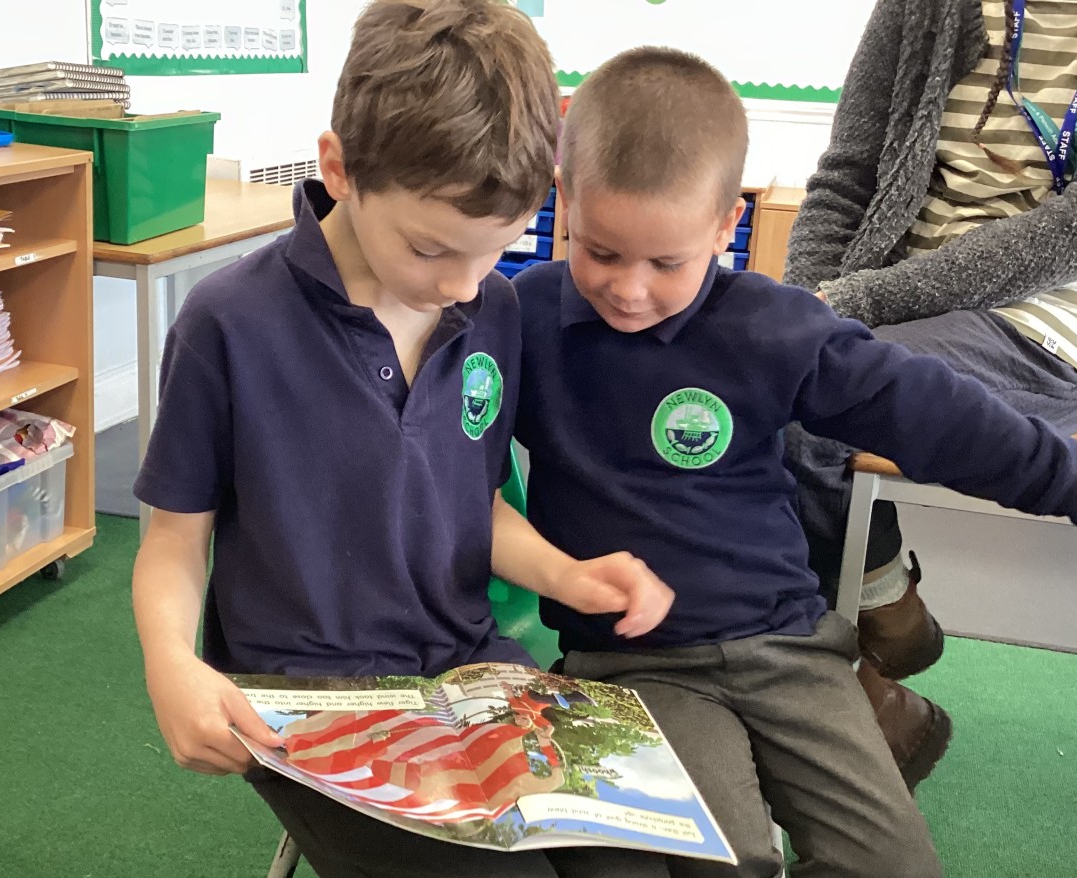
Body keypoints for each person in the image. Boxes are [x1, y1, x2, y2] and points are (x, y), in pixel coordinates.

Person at [512, 46, 1077, 878]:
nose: (629, 290)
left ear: (724, 227)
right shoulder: (521, 319)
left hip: (787, 651)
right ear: (564, 198)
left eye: (667, 264)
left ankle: (890, 707)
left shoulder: (771, 328)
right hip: (630, 666)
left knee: (896, 866)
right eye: (602, 252)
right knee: (724, 858)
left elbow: (939, 415)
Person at [129, 3, 673, 876]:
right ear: (339, 170)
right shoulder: (228, 322)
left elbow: (475, 502)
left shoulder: (491, 309)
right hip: (304, 693)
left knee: (635, 865)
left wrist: (565, 573)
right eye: (429, 250)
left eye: (497, 249)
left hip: (464, 672)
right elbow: (172, 542)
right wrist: (169, 662)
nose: (461, 285)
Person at [780, 0, 1077, 786]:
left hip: (1053, 315)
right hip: (883, 299)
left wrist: (853, 308)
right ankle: (872, 688)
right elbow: (845, 178)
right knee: (747, 410)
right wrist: (809, 309)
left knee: (805, 414)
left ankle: (876, 615)